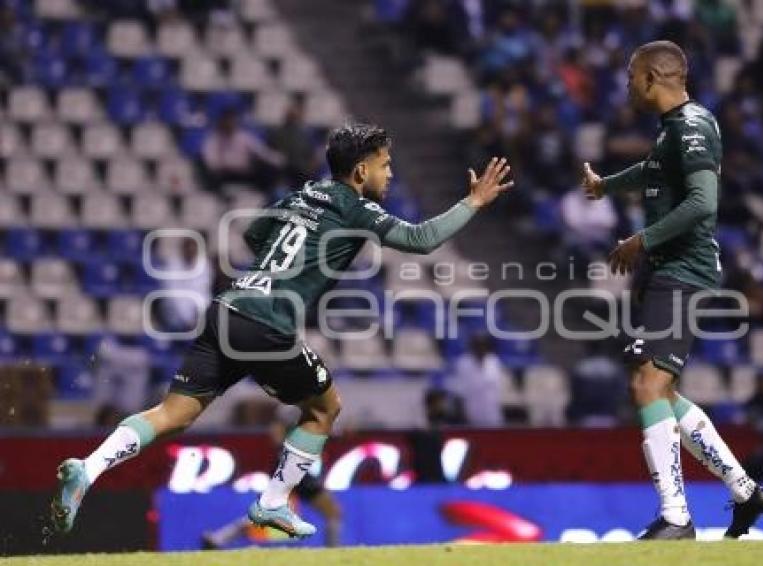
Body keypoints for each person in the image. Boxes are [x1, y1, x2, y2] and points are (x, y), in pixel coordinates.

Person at [50, 123, 514, 539]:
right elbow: (420, 239)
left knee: (173, 413)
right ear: (358, 173)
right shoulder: (355, 208)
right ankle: (272, 502)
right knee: (325, 408)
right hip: (267, 322)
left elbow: (254, 236)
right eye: (384, 166)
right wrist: (473, 201)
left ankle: (87, 470)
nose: (390, 175)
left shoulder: (303, 194)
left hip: (229, 306)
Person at [582, 41, 763, 540]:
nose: (626, 85)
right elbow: (652, 174)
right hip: (670, 271)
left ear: (652, 77)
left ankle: (676, 517)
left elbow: (701, 203)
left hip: (680, 270)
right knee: (662, 390)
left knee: (645, 386)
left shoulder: (690, 127)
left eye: (631, 75)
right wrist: (606, 186)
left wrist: (640, 240)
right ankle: (745, 490)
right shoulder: (676, 130)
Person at [202, 421, 342, 548]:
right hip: (297, 474)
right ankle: (333, 549)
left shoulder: (302, 427)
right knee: (333, 512)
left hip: (292, 472)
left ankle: (219, 538)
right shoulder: (301, 422)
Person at [199, 108, 284, 194]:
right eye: (227, 121)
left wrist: (278, 160)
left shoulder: (244, 137)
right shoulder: (214, 139)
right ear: (222, 122)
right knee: (208, 174)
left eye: (232, 121)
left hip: (244, 173)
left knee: (267, 171)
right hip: (223, 174)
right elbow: (211, 160)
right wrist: (221, 167)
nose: (230, 123)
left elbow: (262, 152)